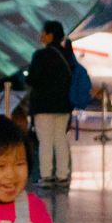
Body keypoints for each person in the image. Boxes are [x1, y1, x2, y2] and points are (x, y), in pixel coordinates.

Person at [26, 20, 73, 188]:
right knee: (60, 139)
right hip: (63, 105)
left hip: (44, 106)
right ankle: (62, 176)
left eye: (43, 32)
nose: (41, 36)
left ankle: (46, 176)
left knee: (45, 141)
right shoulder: (67, 54)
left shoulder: (40, 56)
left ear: (50, 35)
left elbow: (32, 79)